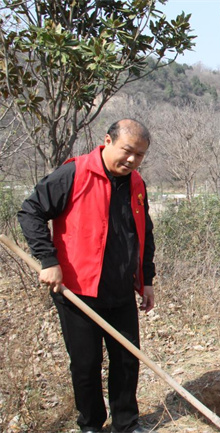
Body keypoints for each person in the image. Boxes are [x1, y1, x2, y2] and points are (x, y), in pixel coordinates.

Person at [17, 119, 157, 433]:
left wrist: (146, 279)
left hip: (121, 288)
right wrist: (48, 260)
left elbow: (144, 233)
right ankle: (91, 425)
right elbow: (30, 211)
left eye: (140, 155)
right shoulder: (74, 173)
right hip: (78, 289)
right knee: (86, 363)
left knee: (127, 359)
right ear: (107, 140)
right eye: (127, 151)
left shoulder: (137, 184)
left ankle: (126, 423)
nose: (132, 160)